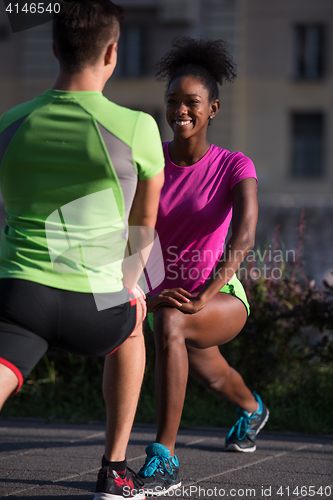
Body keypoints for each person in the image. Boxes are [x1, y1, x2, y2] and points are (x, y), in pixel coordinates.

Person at [0, 1, 164, 499]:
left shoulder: (10, 123)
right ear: (113, 51)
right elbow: (144, 226)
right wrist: (130, 288)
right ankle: (114, 472)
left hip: (18, 299)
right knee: (134, 324)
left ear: (54, 48)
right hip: (95, 307)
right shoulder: (137, 127)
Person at [137, 37, 269, 495]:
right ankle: (253, 409)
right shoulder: (152, 162)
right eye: (173, 102)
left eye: (191, 102)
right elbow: (134, 233)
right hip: (168, 295)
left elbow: (245, 237)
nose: (180, 111)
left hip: (220, 296)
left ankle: (164, 458)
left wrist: (203, 296)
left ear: (213, 108)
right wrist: (146, 293)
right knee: (212, 373)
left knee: (173, 323)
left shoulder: (234, 165)